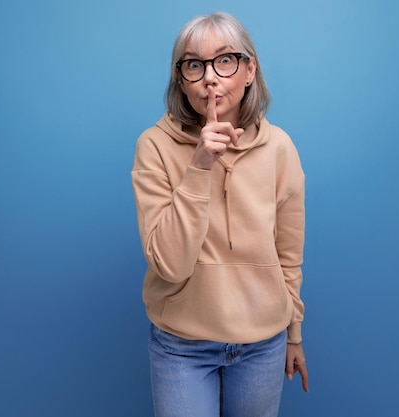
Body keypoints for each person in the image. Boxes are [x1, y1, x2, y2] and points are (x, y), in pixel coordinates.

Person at [131, 11, 308, 417]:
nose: (210, 77)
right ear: (181, 79)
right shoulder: (154, 147)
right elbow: (169, 264)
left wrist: (294, 333)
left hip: (263, 344)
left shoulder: (280, 149)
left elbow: (289, 254)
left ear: (249, 70)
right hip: (182, 345)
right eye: (194, 64)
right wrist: (200, 166)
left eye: (225, 60)